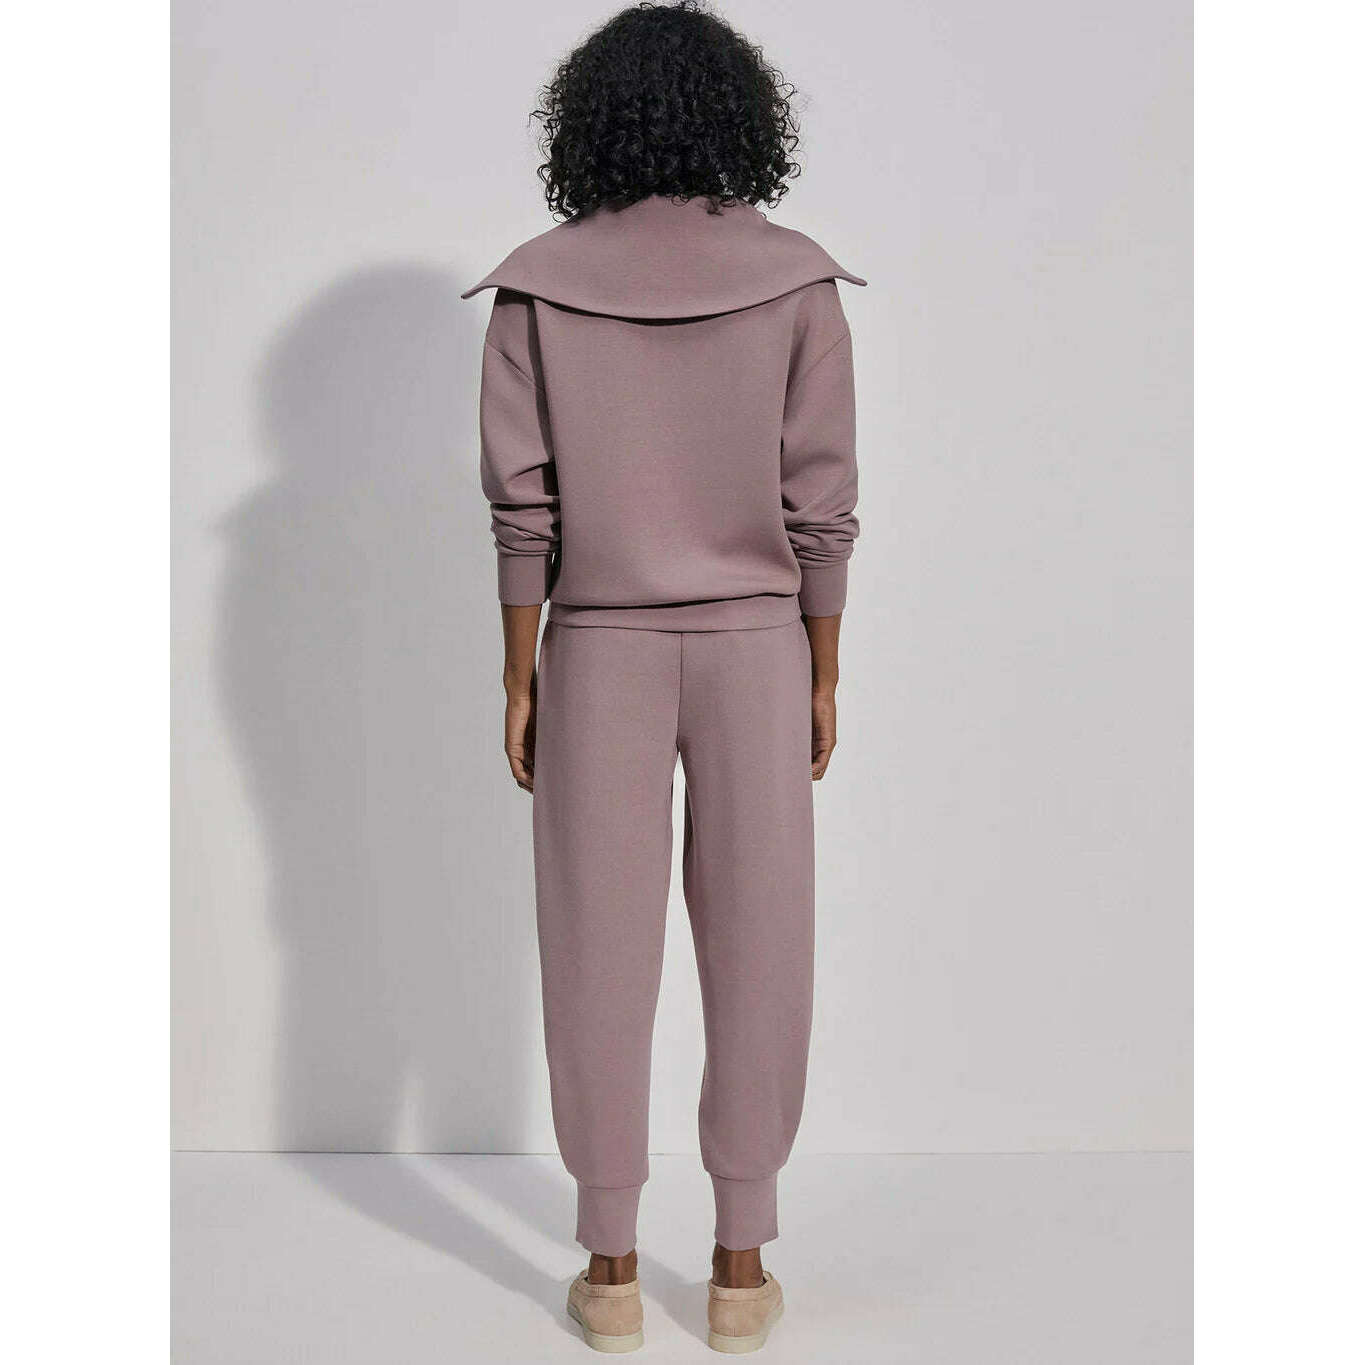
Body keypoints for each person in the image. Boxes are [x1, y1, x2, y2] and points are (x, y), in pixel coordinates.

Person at [464, 2, 861, 1352]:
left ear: (587, 124)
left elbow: (523, 505)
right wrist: (823, 662)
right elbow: (822, 501)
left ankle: (613, 1264)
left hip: (599, 647)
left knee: (594, 948)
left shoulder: (538, 285)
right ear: (742, 118)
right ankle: (740, 1265)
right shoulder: (796, 281)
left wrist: (520, 672)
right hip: (757, 649)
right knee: (763, 943)